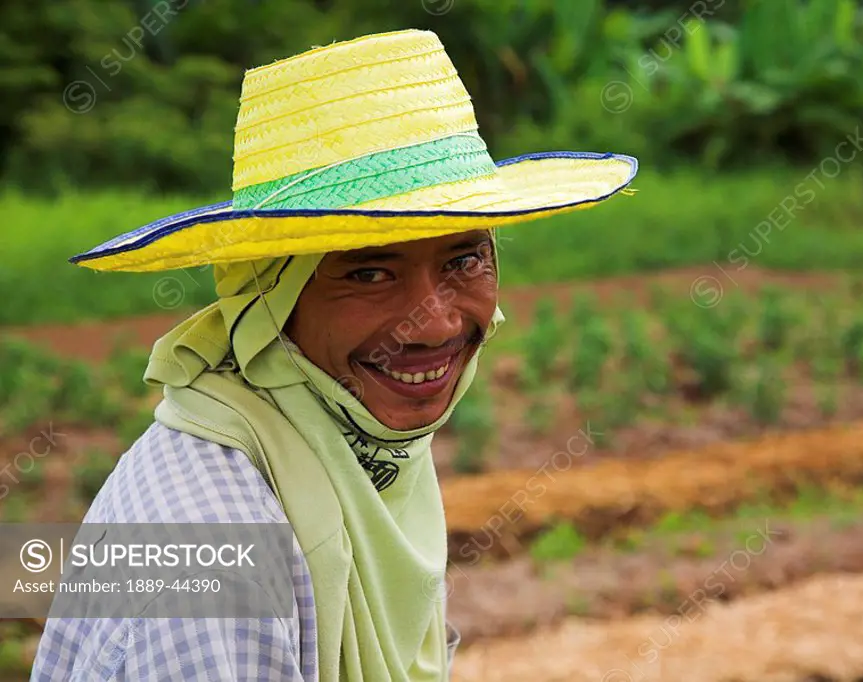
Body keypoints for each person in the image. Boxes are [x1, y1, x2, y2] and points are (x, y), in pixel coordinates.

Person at [31, 28, 636, 681]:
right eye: (369, 274)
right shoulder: (217, 550)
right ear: (270, 298)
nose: (433, 323)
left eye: (464, 258)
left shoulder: (349, 438)